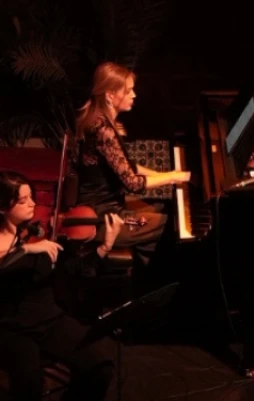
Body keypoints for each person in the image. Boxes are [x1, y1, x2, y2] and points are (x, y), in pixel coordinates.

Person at [0, 171, 121, 401]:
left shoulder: (41, 232)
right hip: (11, 328)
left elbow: (74, 269)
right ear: (2, 207)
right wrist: (23, 249)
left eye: (31, 197)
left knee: (101, 364)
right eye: (23, 200)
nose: (32, 205)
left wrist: (104, 247)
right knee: (29, 379)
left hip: (50, 319)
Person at [73, 61, 191, 266]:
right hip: (102, 215)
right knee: (170, 224)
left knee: (167, 208)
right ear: (110, 95)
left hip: (111, 203)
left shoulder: (101, 119)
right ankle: (154, 272)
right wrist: (175, 177)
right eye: (128, 91)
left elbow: (128, 166)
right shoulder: (103, 131)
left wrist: (166, 174)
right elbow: (133, 183)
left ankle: (147, 265)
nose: (134, 95)